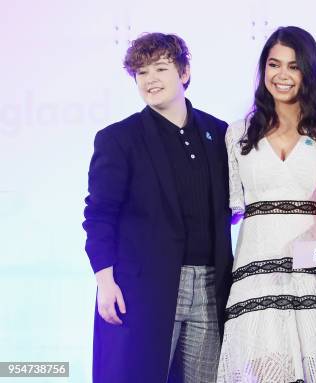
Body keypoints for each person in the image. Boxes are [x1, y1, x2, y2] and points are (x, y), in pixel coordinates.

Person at [83, 33, 233, 383]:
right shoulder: (119, 138)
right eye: (142, 72)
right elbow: (99, 214)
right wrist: (105, 281)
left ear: (183, 72)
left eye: (160, 68)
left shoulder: (219, 132)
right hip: (145, 287)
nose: (150, 80)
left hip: (211, 286)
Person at [216, 26, 316, 383]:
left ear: (309, 72)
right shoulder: (237, 134)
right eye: (274, 65)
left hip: (315, 275)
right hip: (255, 273)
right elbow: (230, 206)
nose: (282, 75)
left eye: (293, 66)